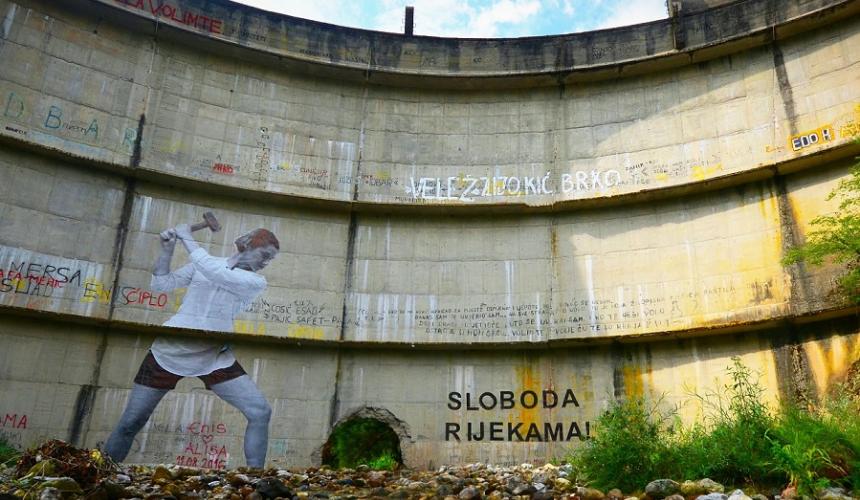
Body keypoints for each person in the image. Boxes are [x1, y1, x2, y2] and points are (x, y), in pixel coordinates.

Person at [104, 223, 279, 468]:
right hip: (169, 352)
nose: (266, 263)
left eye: (270, 259)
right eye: (265, 255)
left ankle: (255, 479)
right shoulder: (205, 263)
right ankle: (102, 473)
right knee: (131, 422)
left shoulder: (254, 281)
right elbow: (161, 284)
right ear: (247, 245)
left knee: (260, 412)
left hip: (214, 357)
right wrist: (167, 250)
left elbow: (216, 273)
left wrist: (187, 237)